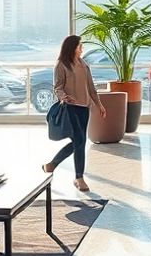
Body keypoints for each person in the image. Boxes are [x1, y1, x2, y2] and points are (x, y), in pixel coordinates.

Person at [42, 34, 105, 192]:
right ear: (72, 47)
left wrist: (99, 105)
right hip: (70, 107)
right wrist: (63, 97)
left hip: (85, 108)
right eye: (79, 46)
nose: (81, 48)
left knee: (79, 141)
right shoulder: (61, 65)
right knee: (79, 141)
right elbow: (58, 87)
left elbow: (91, 88)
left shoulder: (83, 64)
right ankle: (79, 178)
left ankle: (52, 165)